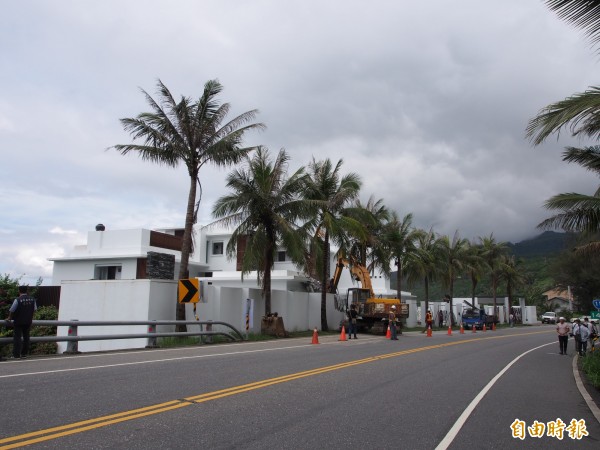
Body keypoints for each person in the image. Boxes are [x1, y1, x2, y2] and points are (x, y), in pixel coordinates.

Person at [7, 285, 37, 359]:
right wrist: (31, 318)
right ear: (27, 291)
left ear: (19, 291)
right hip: (28, 321)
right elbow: (35, 310)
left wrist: (9, 317)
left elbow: (12, 310)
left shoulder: (18, 299)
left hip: (18, 321)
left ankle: (16, 355)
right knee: (26, 337)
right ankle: (24, 354)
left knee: (17, 338)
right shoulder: (32, 299)